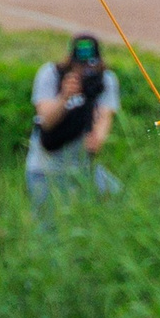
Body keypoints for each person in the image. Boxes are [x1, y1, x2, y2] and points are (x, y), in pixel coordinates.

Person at [27, 33, 121, 210]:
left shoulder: (105, 80)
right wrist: (65, 97)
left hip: (83, 168)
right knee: (48, 227)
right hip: (46, 169)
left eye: (90, 65)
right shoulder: (50, 75)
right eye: (80, 65)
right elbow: (46, 120)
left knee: (117, 198)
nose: (85, 71)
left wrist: (98, 137)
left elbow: (105, 115)